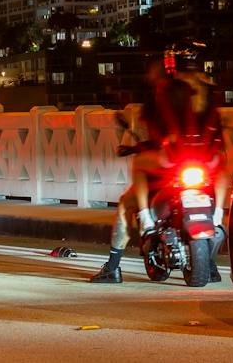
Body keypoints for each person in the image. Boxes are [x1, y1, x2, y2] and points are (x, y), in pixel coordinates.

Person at [89, 49, 224, 283]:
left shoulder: (165, 94)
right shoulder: (208, 92)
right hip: (205, 162)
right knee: (222, 172)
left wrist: (141, 148)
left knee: (126, 200)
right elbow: (218, 135)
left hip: (171, 162)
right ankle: (218, 223)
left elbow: (159, 136)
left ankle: (115, 263)